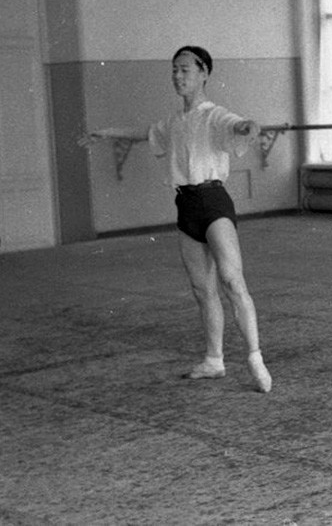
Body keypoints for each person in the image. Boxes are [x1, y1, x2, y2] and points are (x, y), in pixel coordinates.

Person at [80, 45, 272, 393]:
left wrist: (247, 126)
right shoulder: (174, 121)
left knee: (231, 280)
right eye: (174, 70)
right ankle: (214, 360)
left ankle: (255, 357)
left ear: (204, 74)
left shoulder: (215, 115)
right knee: (202, 289)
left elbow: (237, 125)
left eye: (185, 70)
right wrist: (105, 133)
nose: (178, 76)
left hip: (213, 202)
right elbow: (146, 133)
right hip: (185, 207)